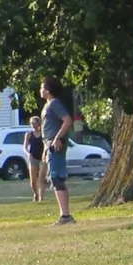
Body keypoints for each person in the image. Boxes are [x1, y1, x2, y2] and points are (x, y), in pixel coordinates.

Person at [40, 77, 80, 226]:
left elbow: (68, 120)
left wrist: (57, 138)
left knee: (57, 178)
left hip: (56, 144)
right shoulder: (48, 105)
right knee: (55, 178)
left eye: (43, 87)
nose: (41, 90)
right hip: (49, 144)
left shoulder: (54, 103)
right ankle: (64, 215)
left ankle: (66, 216)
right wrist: (46, 147)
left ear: (49, 90)